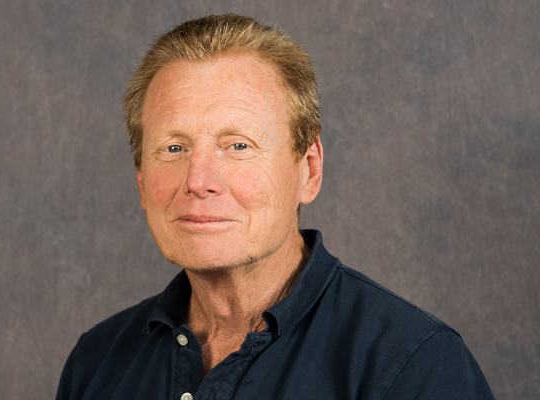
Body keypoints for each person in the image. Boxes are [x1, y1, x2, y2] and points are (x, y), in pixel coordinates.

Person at [56, 14, 495, 400]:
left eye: (238, 145)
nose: (198, 180)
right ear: (141, 181)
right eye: (173, 148)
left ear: (309, 170)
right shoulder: (96, 363)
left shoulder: (415, 365)